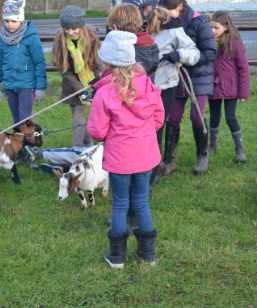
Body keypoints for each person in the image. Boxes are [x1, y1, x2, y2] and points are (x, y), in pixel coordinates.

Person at [87, 30, 165, 269]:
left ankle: (117, 257)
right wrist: (140, 134)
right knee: (141, 201)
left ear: (109, 62)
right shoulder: (149, 85)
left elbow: (97, 131)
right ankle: (147, 255)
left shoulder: (104, 93)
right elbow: (159, 118)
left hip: (121, 157)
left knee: (120, 203)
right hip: (145, 155)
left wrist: (117, 135)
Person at [159, 0, 217, 175]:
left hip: (198, 77)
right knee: (172, 117)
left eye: (168, 9)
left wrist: (182, 58)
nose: (166, 13)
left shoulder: (199, 22)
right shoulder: (164, 21)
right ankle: (169, 159)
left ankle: (202, 155)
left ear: (180, 7)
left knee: (196, 117)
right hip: (176, 77)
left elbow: (210, 52)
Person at [147, 6, 200, 182]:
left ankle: (153, 169)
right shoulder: (141, 26)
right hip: (143, 85)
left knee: (158, 126)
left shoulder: (175, 29)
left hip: (165, 85)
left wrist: (178, 54)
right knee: (143, 127)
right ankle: (143, 166)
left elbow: (194, 54)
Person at [0, 0, 47, 125]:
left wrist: (40, 87)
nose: (10, 24)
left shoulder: (31, 37)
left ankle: (29, 143)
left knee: (25, 119)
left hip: (26, 85)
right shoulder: (2, 38)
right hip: (10, 85)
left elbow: (39, 62)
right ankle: (19, 143)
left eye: (14, 21)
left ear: (21, 20)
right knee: (16, 121)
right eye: (6, 21)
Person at [52, 5, 101, 147]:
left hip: (92, 80)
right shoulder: (60, 41)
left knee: (85, 119)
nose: (70, 32)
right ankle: (80, 149)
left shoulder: (91, 38)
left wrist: (97, 83)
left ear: (81, 25)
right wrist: (80, 89)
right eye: (67, 29)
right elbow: (64, 70)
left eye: (74, 28)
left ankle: (83, 147)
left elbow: (97, 62)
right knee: (78, 119)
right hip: (72, 85)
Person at [208, 11, 250, 163]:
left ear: (226, 27)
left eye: (216, 28)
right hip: (213, 86)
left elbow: (243, 68)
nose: (213, 31)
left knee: (230, 117)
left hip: (231, 88)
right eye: (211, 27)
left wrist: (243, 92)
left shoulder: (235, 43)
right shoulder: (209, 42)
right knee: (214, 117)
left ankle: (239, 148)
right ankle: (212, 145)